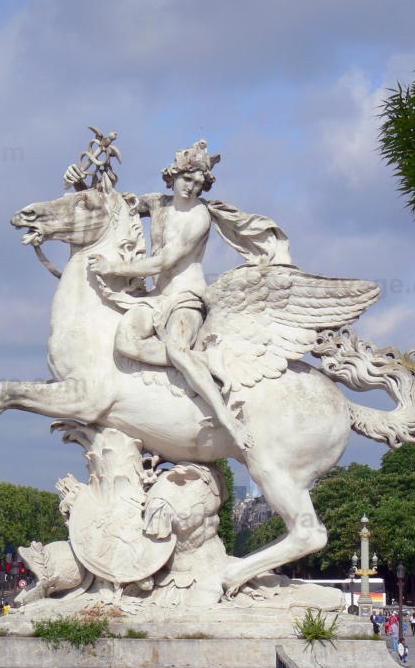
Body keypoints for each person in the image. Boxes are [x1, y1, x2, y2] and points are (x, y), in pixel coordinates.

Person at [67, 140, 289, 453]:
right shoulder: (157, 204)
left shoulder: (199, 217)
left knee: (176, 347)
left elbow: (164, 262)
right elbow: (114, 206)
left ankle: (226, 417)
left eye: (198, 184)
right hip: (157, 296)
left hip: (187, 297)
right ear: (173, 176)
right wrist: (81, 184)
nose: (192, 188)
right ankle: (199, 367)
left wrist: (114, 267)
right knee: (124, 342)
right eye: (187, 180)